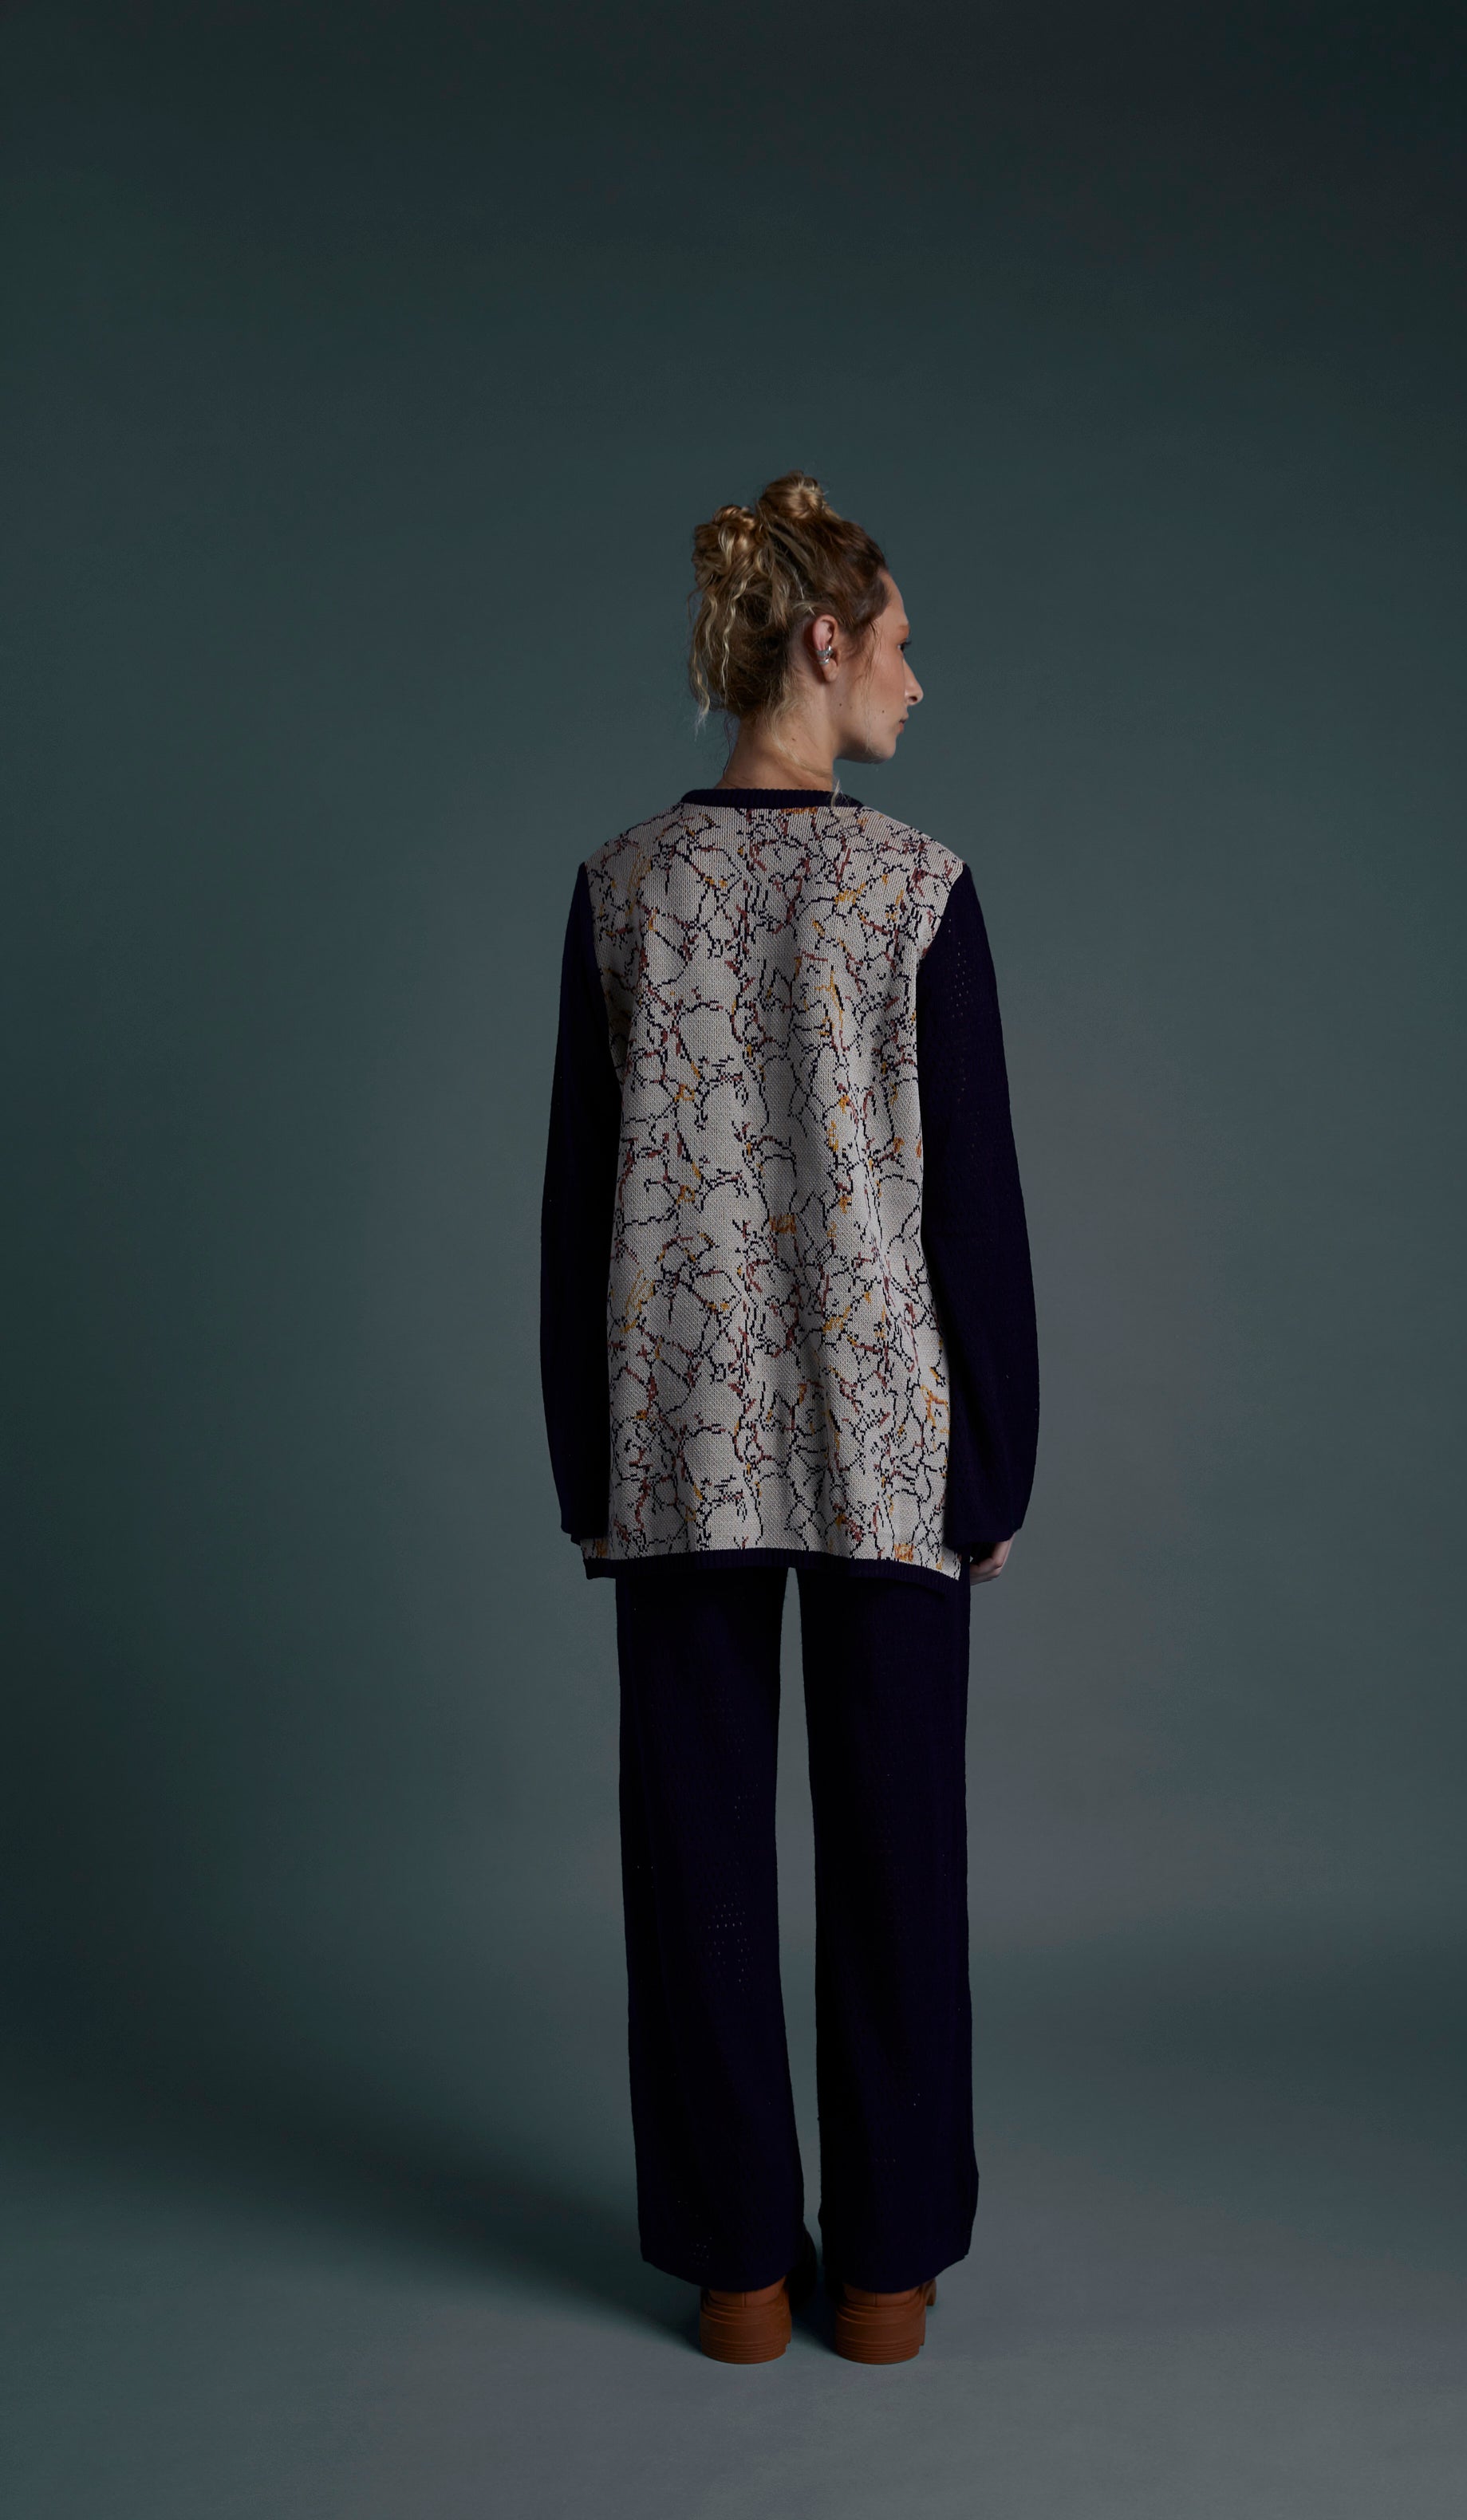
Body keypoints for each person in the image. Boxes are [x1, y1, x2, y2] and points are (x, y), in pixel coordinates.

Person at [539, 472, 1039, 2364]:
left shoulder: (621, 886)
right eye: (896, 643)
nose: (916, 678)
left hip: (674, 1439)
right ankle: (885, 2273)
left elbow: (576, 1205)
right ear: (823, 645)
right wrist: (994, 1458)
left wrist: (584, 1458)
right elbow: (971, 1208)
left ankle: (736, 2271)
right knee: (899, 1858)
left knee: (696, 1863)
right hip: (889, 1441)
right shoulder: (918, 889)